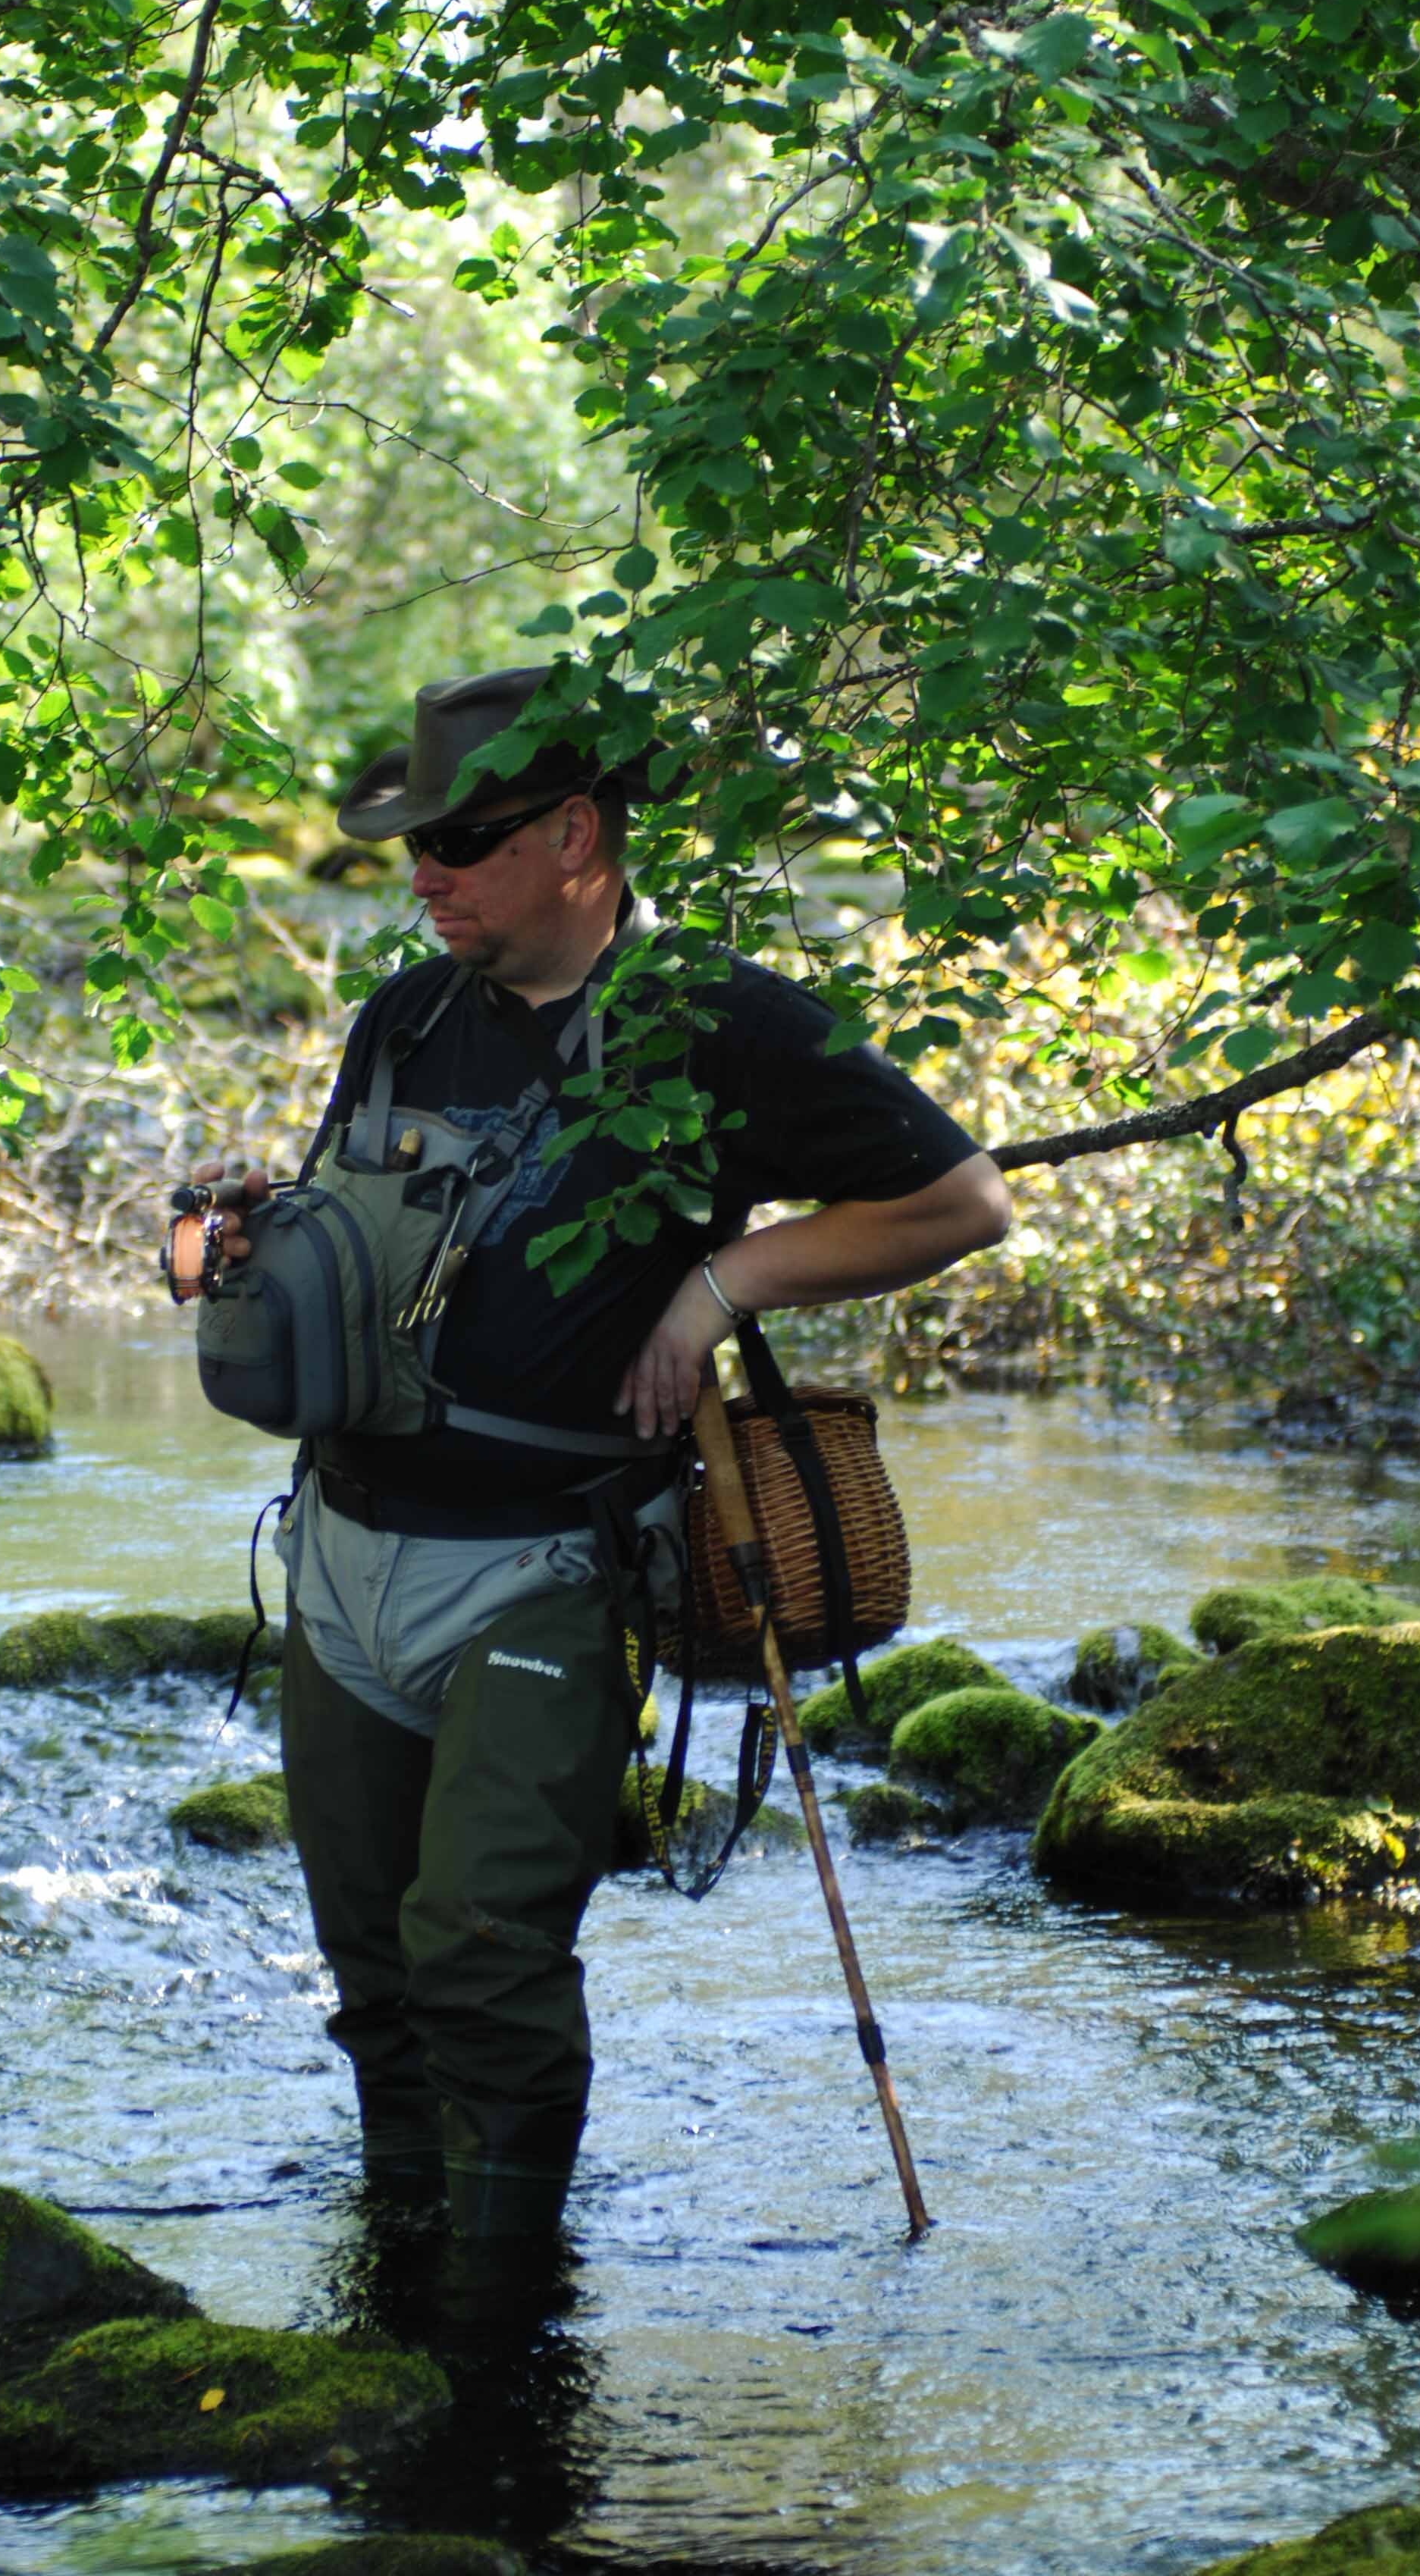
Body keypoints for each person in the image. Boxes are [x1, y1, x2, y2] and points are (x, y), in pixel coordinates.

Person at [197, 666, 1011, 2244]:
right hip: (340, 1560)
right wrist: (255, 1243)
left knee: (482, 1954)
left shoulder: (719, 1023)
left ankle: (503, 2349)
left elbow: (958, 1201)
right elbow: (368, 1253)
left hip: (546, 1572)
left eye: (461, 839)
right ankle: (400, 2278)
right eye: (410, 846)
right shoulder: (402, 1020)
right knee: (371, 1969)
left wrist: (716, 1287)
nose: (422, 875)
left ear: (575, 834)